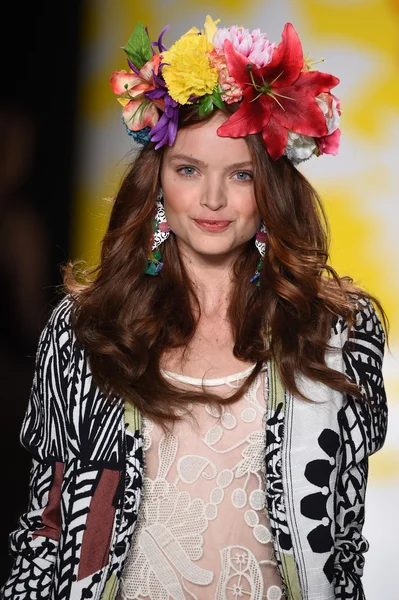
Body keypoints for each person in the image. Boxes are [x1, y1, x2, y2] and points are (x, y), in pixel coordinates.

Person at [1, 15, 388, 600]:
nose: (211, 199)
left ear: (272, 188)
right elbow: (46, 531)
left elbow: (344, 543)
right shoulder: (87, 331)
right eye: (188, 170)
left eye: (240, 175)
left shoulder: (337, 335)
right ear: (157, 181)